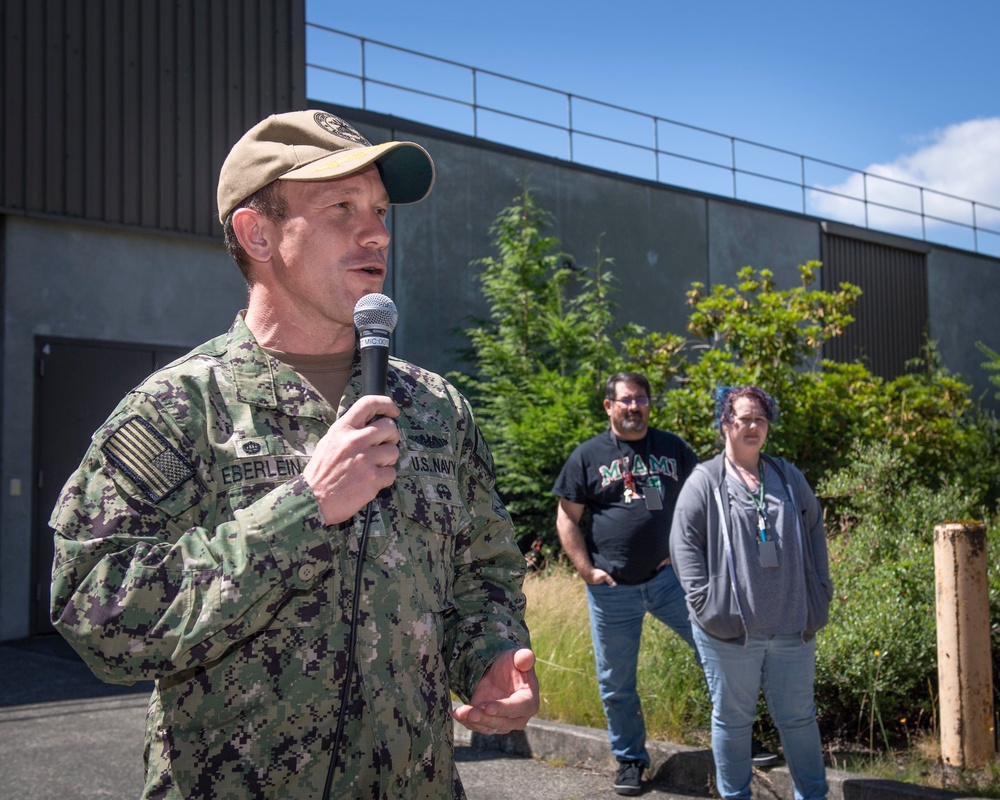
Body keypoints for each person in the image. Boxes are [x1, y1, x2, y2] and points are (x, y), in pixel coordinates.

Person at [49, 109, 539, 800]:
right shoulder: (178, 410)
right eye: (341, 207)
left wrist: (489, 656)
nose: (376, 232)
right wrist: (303, 510)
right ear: (258, 233)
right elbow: (94, 610)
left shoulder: (436, 409)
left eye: (378, 209)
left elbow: (481, 572)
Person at [669, 385, 833, 800]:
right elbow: (683, 543)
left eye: (760, 418)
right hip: (731, 632)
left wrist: (820, 588)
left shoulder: (786, 476)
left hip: (792, 626)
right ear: (726, 423)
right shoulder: (705, 480)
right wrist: (704, 602)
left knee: (799, 719)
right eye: (744, 418)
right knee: (733, 721)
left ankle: (813, 797)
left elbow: (815, 531)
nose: (753, 426)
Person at [552, 371, 700, 795]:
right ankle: (630, 760)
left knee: (718, 652)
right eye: (626, 400)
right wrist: (586, 570)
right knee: (617, 680)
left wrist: (687, 551)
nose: (634, 407)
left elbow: (702, 500)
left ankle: (742, 739)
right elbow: (567, 517)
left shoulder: (673, 448)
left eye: (641, 400)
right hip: (611, 588)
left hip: (670, 579)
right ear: (609, 406)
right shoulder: (587, 456)